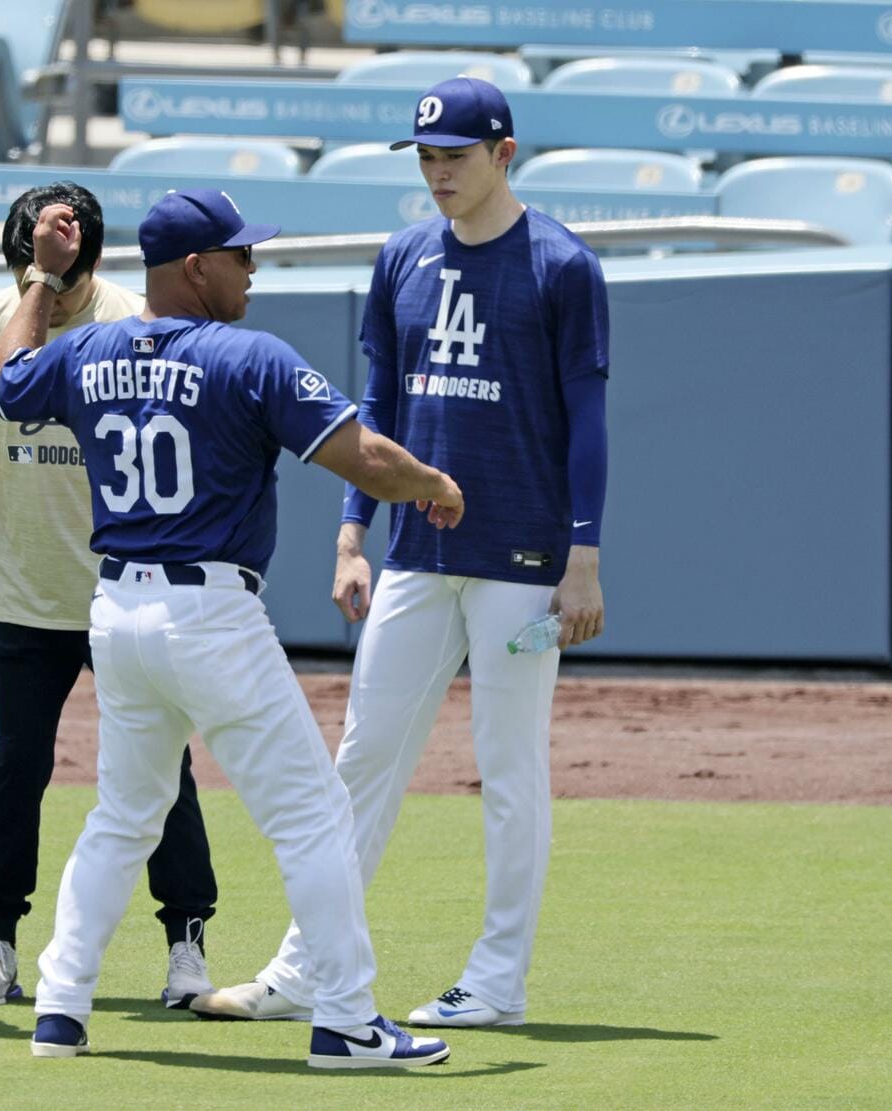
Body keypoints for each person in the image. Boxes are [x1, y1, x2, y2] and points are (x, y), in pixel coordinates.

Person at [0, 188, 463, 1069]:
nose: (253, 267)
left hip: (119, 612)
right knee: (315, 813)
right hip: (208, 611)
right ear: (195, 267)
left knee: (123, 817)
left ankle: (59, 1005)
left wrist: (41, 279)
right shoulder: (248, 356)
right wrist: (433, 483)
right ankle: (351, 1020)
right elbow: (359, 455)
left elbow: (12, 384)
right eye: (241, 254)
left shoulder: (86, 346)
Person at [194, 76, 609, 1029]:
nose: (436, 173)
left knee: (509, 769)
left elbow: (588, 419)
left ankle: (498, 979)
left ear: (504, 153)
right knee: (362, 757)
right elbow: (374, 413)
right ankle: (307, 968)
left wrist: (583, 552)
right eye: (424, 157)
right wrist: (352, 530)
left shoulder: (562, 264)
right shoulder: (402, 257)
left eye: (453, 156)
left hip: (523, 555)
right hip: (418, 548)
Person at [0, 182, 219, 1010]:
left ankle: (186, 943)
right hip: (26, 595)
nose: (44, 298)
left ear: (88, 265)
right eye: (30, 277)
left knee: (164, 770)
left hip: (128, 594)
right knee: (17, 766)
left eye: (59, 280)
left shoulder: (132, 320)